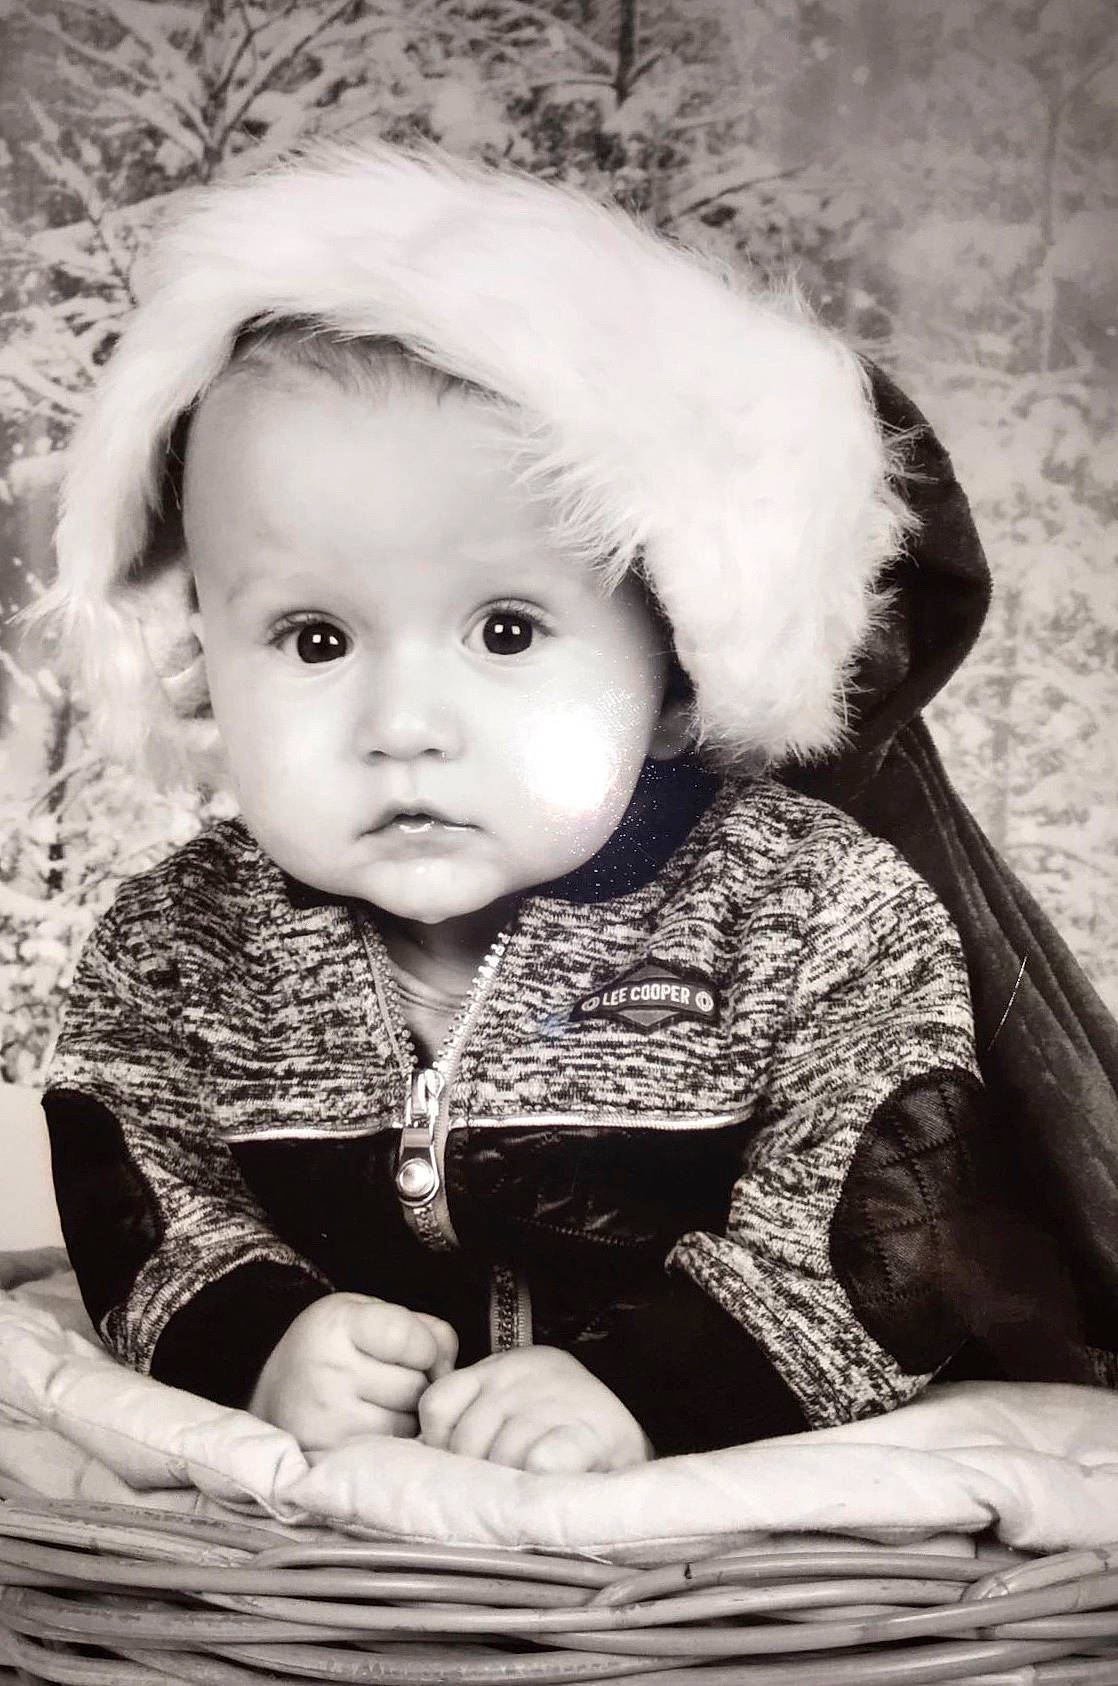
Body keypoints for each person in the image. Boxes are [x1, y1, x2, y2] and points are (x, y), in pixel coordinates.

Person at [39, 144, 1035, 1472]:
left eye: (505, 629)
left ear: (675, 670)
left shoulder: (813, 915)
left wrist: (654, 1383)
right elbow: (136, 1165)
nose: (402, 723)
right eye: (314, 638)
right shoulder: (185, 942)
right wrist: (254, 1333)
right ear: (199, 662)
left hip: (701, 1556)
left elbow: (898, 1220)